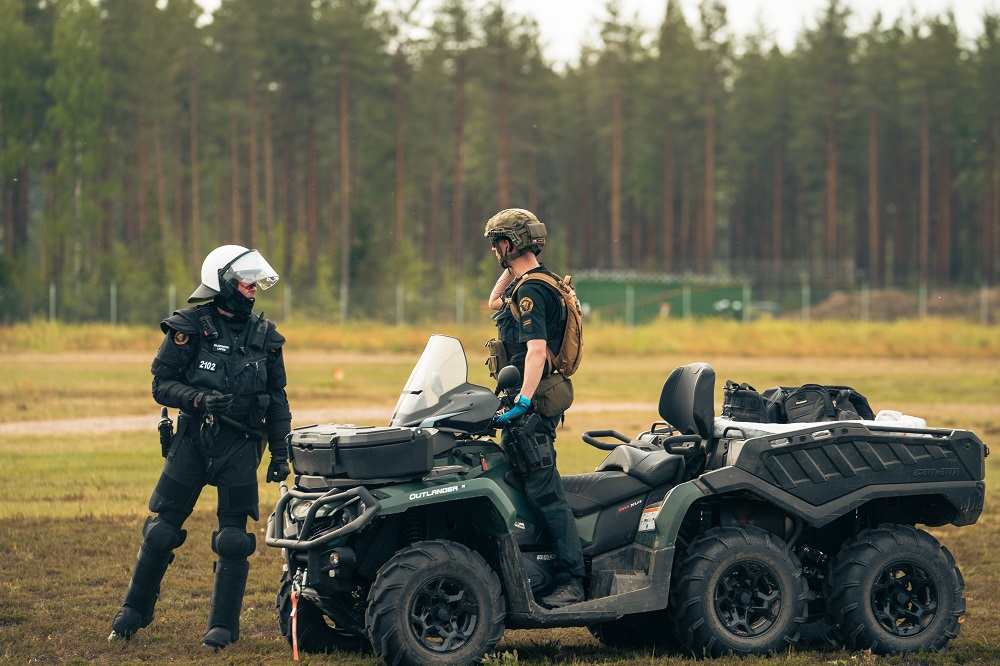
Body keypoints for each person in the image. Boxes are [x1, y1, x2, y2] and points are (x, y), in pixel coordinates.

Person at [109, 245, 292, 650]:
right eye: (247, 283)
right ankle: (134, 612)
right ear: (224, 283)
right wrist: (197, 399)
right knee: (161, 530)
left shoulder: (267, 337)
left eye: (255, 283)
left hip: (241, 447)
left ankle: (222, 629)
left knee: (233, 540)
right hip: (193, 441)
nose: (254, 290)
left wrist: (280, 453)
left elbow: (277, 399)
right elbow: (161, 384)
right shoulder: (188, 326)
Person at [485, 208, 585, 608]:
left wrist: (522, 402)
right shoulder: (538, 281)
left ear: (508, 244)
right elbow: (493, 300)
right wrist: (515, 264)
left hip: (532, 407)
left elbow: (537, 351)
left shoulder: (530, 292)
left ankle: (571, 578)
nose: (495, 251)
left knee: (546, 493)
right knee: (527, 486)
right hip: (529, 403)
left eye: (498, 244)